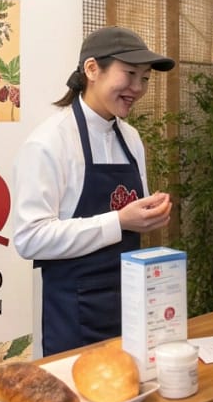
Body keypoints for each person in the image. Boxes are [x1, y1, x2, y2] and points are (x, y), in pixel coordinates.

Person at [12, 26, 174, 356]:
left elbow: (128, 219)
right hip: (73, 316)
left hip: (128, 306)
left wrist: (147, 215)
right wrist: (119, 221)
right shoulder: (49, 142)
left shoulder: (131, 139)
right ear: (91, 70)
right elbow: (30, 238)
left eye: (145, 78)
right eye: (129, 74)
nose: (138, 88)